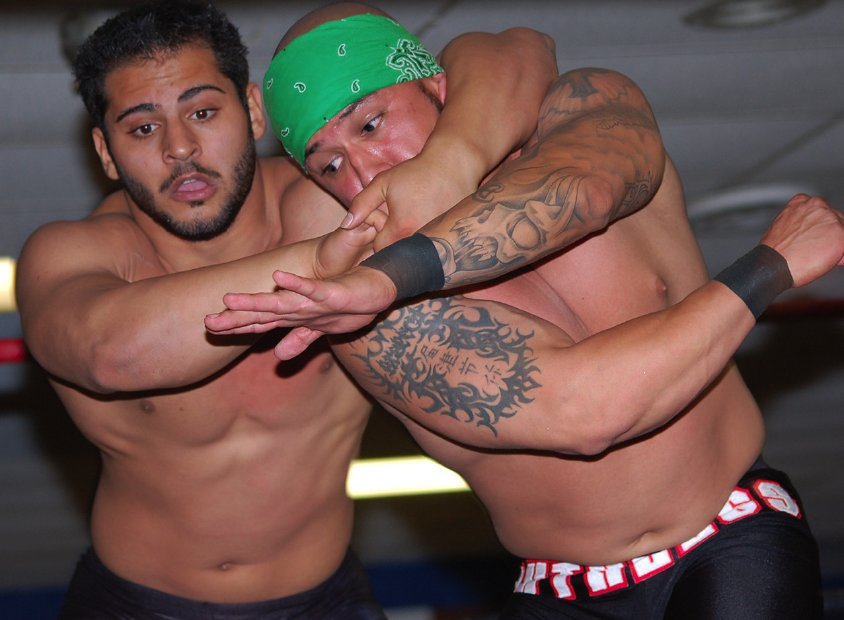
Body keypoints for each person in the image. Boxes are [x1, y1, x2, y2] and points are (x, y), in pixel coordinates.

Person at [206, 4, 844, 618]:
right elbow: (586, 413)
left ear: (437, 88)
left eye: (371, 125)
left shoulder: (584, 104)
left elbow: (587, 190)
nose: (366, 173)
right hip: (560, 590)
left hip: (731, 538)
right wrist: (770, 267)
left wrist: (407, 252)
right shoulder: (354, 306)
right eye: (330, 165)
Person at [13, 1, 559, 617]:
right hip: (137, 604)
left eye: (202, 112)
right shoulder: (72, 254)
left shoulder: (329, 197)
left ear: (252, 111)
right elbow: (110, 353)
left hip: (328, 597)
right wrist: (322, 260)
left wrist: (450, 157)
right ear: (106, 151)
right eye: (142, 128)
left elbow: (521, 50)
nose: (179, 148)